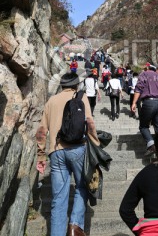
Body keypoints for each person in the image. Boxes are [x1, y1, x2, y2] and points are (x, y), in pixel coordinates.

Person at [36, 72, 99, 236]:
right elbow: (90, 123)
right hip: (78, 149)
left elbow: (42, 131)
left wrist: (41, 155)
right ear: (76, 85)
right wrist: (96, 144)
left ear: (62, 85)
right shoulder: (81, 97)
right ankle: (74, 226)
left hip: (56, 152)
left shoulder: (51, 101)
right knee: (82, 186)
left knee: (58, 199)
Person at [131, 63, 158, 156]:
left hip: (149, 102)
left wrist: (134, 103)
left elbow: (138, 89)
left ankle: (151, 144)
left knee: (144, 126)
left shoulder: (144, 74)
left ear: (147, 68)